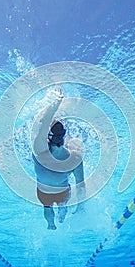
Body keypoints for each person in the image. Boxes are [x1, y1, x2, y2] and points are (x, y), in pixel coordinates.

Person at [32, 96, 86, 230]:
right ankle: (61, 219)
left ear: (48, 138)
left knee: (47, 207)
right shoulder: (74, 159)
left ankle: (51, 224)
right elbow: (81, 185)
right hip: (63, 192)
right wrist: (81, 206)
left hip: (43, 192)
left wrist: (55, 105)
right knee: (63, 207)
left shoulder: (39, 149)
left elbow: (43, 124)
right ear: (64, 136)